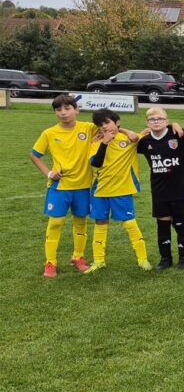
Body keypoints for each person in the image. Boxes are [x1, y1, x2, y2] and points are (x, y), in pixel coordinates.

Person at [30, 95, 101, 276]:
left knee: (81, 222)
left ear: (76, 110)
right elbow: (35, 155)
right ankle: (50, 262)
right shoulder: (49, 133)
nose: (63, 113)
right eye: (59, 109)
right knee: (56, 222)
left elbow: (110, 127)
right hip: (59, 186)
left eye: (67, 108)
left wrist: (128, 132)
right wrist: (49, 173)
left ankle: (78, 257)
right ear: (55, 112)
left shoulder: (88, 128)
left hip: (83, 186)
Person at [84, 109, 150, 272]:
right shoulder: (96, 142)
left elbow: (147, 134)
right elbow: (96, 163)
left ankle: (142, 259)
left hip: (122, 190)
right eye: (100, 125)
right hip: (100, 190)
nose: (104, 127)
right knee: (100, 223)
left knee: (129, 223)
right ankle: (99, 261)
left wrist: (126, 131)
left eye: (107, 122)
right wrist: (104, 142)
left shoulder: (129, 139)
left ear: (117, 122)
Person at [136, 106, 184, 270]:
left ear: (166, 121)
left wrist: (174, 125)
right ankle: (165, 258)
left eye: (160, 119)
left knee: (181, 224)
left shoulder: (178, 134)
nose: (156, 121)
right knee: (162, 225)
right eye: (152, 119)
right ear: (147, 122)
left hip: (180, 189)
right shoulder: (143, 141)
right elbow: (126, 142)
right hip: (160, 191)